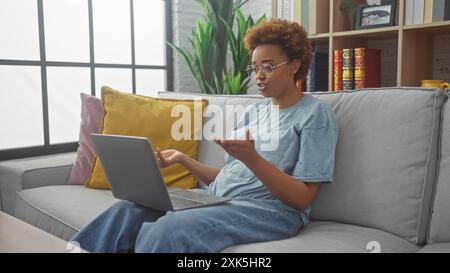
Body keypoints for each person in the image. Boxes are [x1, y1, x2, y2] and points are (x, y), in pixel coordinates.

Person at [71, 19, 338, 253]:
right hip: (219, 200)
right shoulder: (255, 110)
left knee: (168, 230)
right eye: (254, 68)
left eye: (268, 66)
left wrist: (252, 158)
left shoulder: (314, 114)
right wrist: (182, 160)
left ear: (294, 66)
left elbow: (302, 198)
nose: (259, 76)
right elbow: (227, 177)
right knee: (127, 211)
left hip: (270, 211)